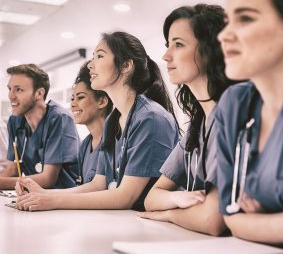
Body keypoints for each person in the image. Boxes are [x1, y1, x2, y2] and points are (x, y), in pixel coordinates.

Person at [15, 31, 180, 212]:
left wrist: (52, 202)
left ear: (125, 66)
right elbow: (98, 184)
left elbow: (125, 197)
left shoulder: (151, 118)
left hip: (151, 228)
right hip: (123, 222)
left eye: (99, 56)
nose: (91, 66)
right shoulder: (113, 120)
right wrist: (45, 194)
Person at [139, 4, 232, 236]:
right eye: (168, 45)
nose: (166, 55)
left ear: (211, 50)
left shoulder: (231, 116)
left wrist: (169, 214)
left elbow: (212, 219)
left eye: (178, 45)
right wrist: (178, 197)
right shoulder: (197, 126)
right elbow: (151, 198)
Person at [216, 0, 283, 248]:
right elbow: (232, 218)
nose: (223, 35)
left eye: (245, 19)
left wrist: (264, 223)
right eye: (228, 20)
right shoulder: (235, 105)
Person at [0, 64, 80, 189]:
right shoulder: (15, 121)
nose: (11, 96)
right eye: (9, 89)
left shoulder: (59, 119)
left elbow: (48, 179)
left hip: (63, 200)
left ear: (39, 93)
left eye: (18, 89)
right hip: (36, 196)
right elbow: (12, 168)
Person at [72, 61, 112, 184]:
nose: (73, 104)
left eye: (80, 97)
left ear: (102, 102)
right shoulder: (85, 146)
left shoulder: (114, 142)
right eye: (72, 98)